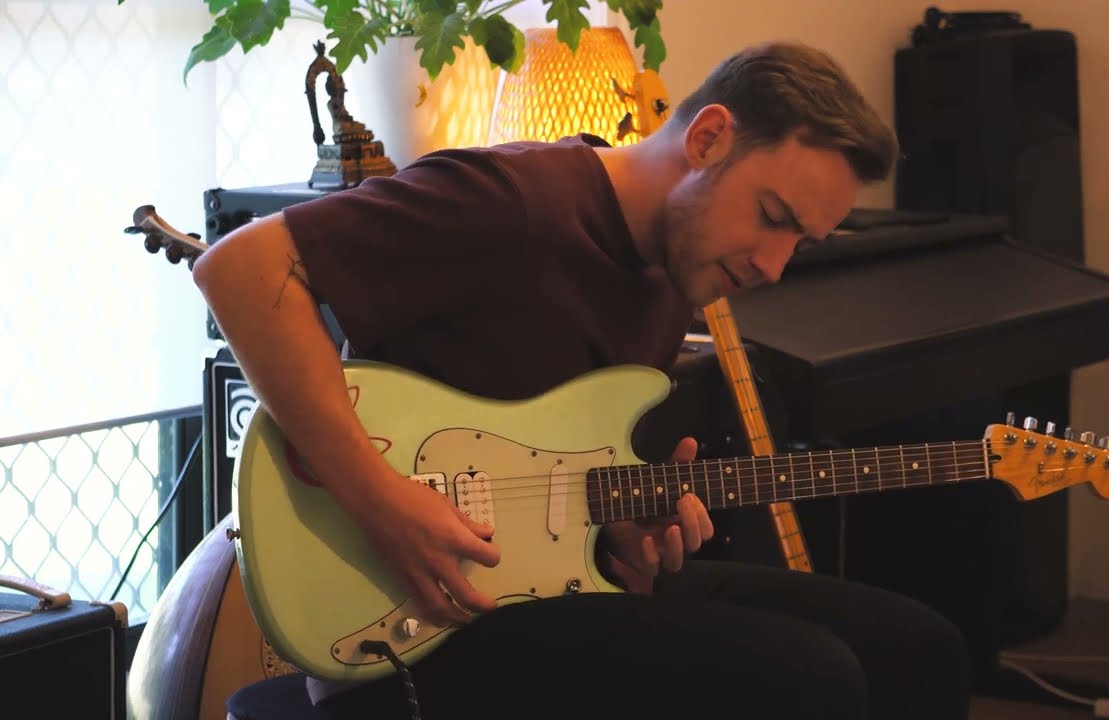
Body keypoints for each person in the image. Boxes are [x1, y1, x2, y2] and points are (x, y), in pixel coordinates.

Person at [193, 39, 971, 719]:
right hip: (413, 611)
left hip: (531, 593)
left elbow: (555, 472)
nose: (773, 265)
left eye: (801, 243)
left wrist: (625, 532)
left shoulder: (673, 272)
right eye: (773, 216)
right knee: (810, 677)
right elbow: (240, 267)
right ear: (707, 138)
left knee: (919, 647)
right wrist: (381, 500)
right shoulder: (512, 200)